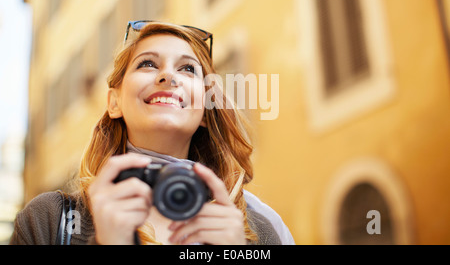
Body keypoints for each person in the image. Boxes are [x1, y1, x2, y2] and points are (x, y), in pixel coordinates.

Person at [10, 21, 294, 245]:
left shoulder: (262, 232)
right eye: (147, 63)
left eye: (187, 69)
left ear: (207, 111)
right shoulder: (47, 220)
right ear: (114, 102)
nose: (168, 76)